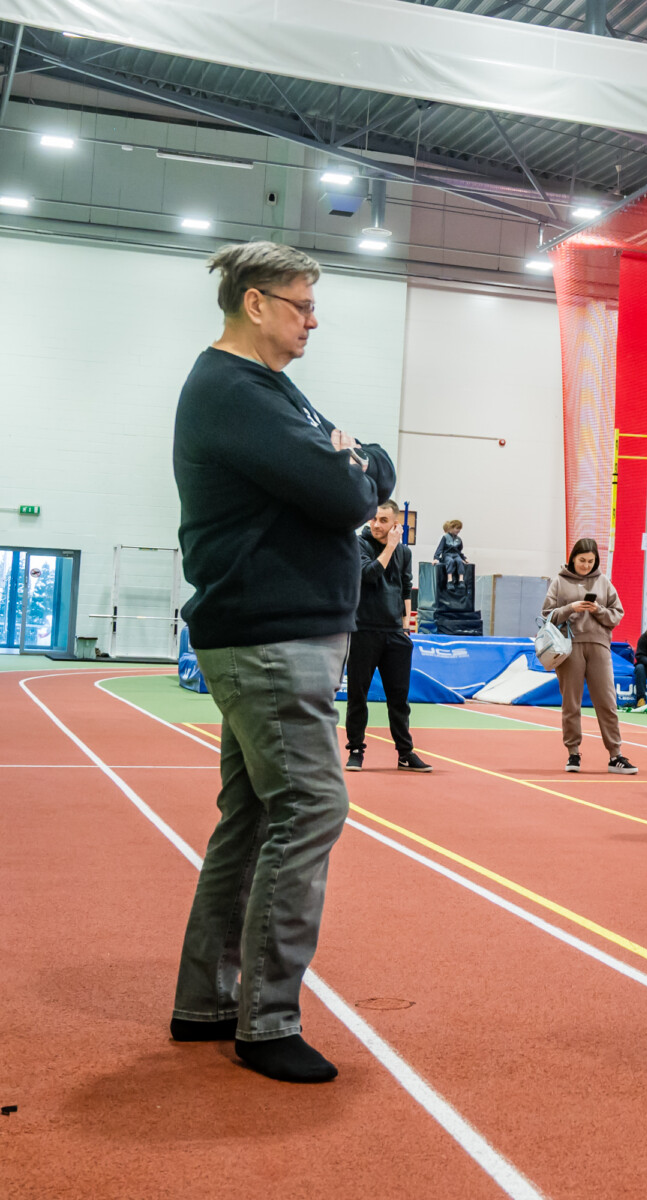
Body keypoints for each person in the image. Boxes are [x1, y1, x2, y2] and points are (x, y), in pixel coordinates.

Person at [170, 241, 395, 1083]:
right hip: (271, 641)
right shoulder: (237, 392)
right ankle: (265, 1021)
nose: (313, 322)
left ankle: (207, 1001)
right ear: (256, 302)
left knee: (254, 818)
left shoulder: (268, 390)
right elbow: (348, 489)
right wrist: (352, 465)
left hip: (274, 636)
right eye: (302, 306)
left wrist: (356, 463)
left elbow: (362, 468)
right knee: (311, 808)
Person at [345, 499, 431, 773]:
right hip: (363, 630)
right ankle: (355, 750)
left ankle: (405, 753)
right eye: (373, 519)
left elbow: (406, 587)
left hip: (395, 633)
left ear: (395, 523)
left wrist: (406, 626)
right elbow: (368, 574)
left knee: (399, 699)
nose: (376, 525)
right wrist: (390, 546)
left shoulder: (404, 552)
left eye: (383, 520)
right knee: (357, 695)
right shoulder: (359, 544)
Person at [542, 539, 637, 776]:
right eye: (582, 560)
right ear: (573, 558)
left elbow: (617, 614)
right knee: (571, 703)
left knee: (607, 701)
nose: (586, 565)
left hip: (599, 646)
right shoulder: (559, 581)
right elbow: (547, 615)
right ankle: (573, 752)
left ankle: (615, 755)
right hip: (568, 647)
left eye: (590, 561)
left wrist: (598, 610)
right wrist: (570, 608)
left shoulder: (603, 582)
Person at [433, 518, 468, 589]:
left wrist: (464, 558)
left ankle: (461, 580)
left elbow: (459, 551)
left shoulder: (458, 539)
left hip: (456, 555)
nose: (458, 530)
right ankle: (449, 580)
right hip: (447, 555)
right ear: (451, 528)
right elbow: (440, 548)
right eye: (457, 528)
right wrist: (436, 558)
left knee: (459, 561)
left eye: (459, 529)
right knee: (450, 561)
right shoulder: (445, 537)